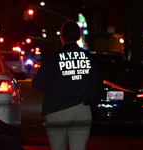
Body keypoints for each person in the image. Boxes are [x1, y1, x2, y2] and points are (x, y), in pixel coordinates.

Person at [32, 20, 103, 150]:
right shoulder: (89, 58)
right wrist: (91, 105)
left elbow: (38, 85)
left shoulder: (53, 58)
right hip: (82, 110)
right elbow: (98, 86)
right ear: (79, 36)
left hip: (57, 111)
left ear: (61, 37)